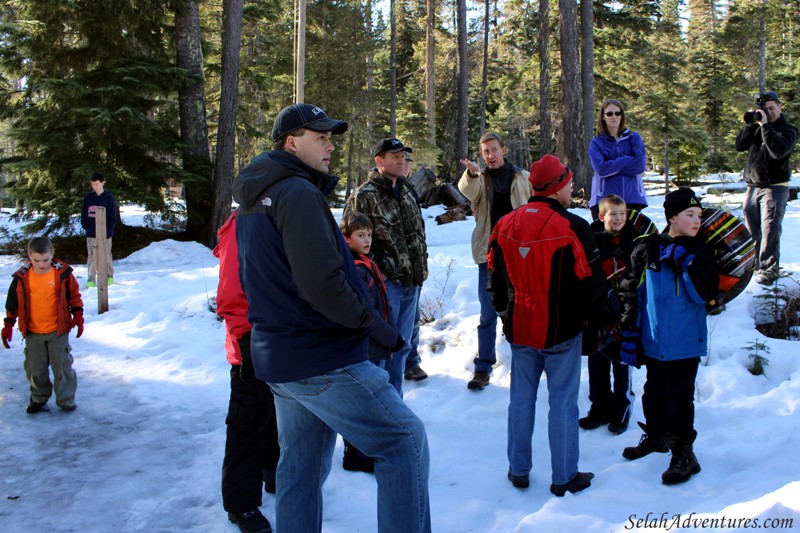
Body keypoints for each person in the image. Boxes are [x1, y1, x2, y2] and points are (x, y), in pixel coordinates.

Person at [232, 103, 431, 533]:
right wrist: (375, 326)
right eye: (319, 137)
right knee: (404, 440)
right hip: (319, 356)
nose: (329, 146)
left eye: (330, 138)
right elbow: (322, 284)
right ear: (291, 142)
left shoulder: (258, 196)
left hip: (282, 356)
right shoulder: (298, 194)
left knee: (300, 466)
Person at [487, 154, 612, 496]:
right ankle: (564, 475)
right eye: (569, 183)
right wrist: (601, 323)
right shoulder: (573, 226)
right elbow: (592, 283)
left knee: (521, 399)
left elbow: (494, 278)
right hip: (561, 328)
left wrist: (504, 312)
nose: (572, 188)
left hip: (522, 326)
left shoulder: (506, 224)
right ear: (557, 186)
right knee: (563, 402)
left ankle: (518, 469)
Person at [618, 187, 720, 485]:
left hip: (686, 343)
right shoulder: (649, 247)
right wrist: (629, 333)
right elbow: (631, 292)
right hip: (654, 340)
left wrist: (687, 264)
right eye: (689, 215)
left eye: (699, 215)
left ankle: (684, 452)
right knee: (653, 393)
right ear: (672, 218)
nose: (696, 220)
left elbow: (706, 295)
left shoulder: (701, 251)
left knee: (679, 398)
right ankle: (656, 436)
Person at [345, 138, 429, 396]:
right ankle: (378, 404)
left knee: (401, 346)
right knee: (380, 347)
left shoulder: (407, 190)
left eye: (403, 156)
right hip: (384, 284)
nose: (401, 160)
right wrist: (377, 270)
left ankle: (396, 403)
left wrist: (420, 266)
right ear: (379, 161)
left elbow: (417, 232)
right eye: (395, 156)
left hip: (411, 281)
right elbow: (349, 239)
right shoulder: (364, 196)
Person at [214, 210, 279, 533]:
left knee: (274, 411)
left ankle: (272, 472)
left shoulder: (280, 215)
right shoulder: (243, 225)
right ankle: (241, 503)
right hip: (250, 340)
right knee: (247, 419)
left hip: (279, 338)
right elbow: (230, 293)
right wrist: (247, 336)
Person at [458, 132, 531, 391]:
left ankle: (525, 364)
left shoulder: (522, 177)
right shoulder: (481, 178)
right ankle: (483, 367)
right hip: (489, 254)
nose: (490, 155)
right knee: (488, 313)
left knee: (521, 309)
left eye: (493, 150)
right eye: (485, 151)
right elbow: (467, 191)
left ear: (504, 150)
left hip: (518, 253)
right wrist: (472, 174)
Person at [339, 211, 405, 473]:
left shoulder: (365, 263)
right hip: (366, 345)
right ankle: (357, 453)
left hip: (375, 344)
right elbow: (368, 314)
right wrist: (391, 338)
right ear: (346, 239)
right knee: (364, 400)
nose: (366, 240)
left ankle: (362, 450)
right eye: (360, 235)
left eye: (368, 235)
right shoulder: (356, 270)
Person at [3, 237, 84, 413]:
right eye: (36, 260)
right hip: (32, 332)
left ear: (52, 254)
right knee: (35, 368)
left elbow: (74, 295)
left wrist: (78, 314)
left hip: (58, 330)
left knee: (62, 366)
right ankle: (38, 398)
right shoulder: (21, 277)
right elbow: (13, 303)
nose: (41, 264)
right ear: (29, 257)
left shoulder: (62, 274)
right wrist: (9, 324)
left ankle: (66, 399)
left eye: (46, 260)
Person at [579, 194, 637, 435]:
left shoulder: (633, 240)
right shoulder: (592, 240)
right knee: (597, 358)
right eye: (614, 214)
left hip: (623, 310)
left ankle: (621, 406)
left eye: (623, 214)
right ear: (602, 216)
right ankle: (599, 405)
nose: (619, 218)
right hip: (597, 309)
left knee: (621, 359)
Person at [735, 91, 798, 285]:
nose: (768, 113)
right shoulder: (757, 127)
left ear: (780, 107)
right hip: (753, 186)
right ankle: (751, 268)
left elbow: (778, 152)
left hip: (774, 187)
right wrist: (750, 124)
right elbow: (739, 146)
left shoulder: (787, 130)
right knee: (752, 231)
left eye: (772, 108)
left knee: (770, 229)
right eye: (765, 109)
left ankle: (768, 270)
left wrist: (766, 126)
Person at [588, 99, 648, 220]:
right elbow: (601, 169)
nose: (614, 116)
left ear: (622, 116)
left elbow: (640, 165)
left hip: (633, 198)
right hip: (604, 200)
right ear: (603, 117)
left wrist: (612, 165)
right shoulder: (596, 143)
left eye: (617, 113)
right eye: (609, 113)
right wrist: (626, 159)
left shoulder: (634, 138)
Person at [402, 151, 428, 382]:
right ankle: (395, 365)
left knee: (413, 321)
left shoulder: (410, 190)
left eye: (408, 162)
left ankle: (411, 362)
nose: (405, 165)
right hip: (390, 274)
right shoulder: (369, 194)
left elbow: (419, 230)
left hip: (415, 270)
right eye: (401, 160)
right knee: (394, 324)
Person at [81, 172, 117, 288]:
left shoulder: (109, 197)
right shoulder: (88, 197)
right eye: (92, 184)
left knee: (106, 254)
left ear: (102, 183)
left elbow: (113, 216)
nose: (94, 186)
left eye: (96, 184)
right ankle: (91, 279)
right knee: (92, 255)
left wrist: (109, 230)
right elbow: (84, 214)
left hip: (105, 233)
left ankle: (109, 276)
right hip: (91, 232)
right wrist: (86, 226)